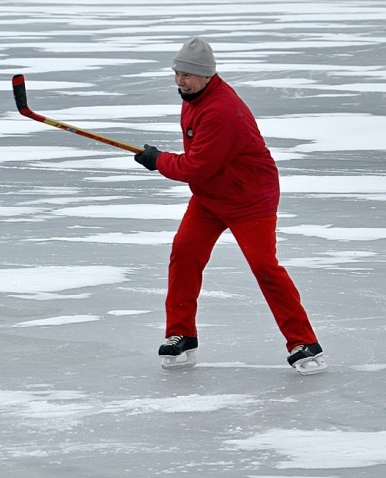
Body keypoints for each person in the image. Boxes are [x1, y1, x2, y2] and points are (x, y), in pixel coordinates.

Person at [133, 37, 326, 374]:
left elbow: (195, 166)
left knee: (265, 268)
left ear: (207, 75)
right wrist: (163, 159)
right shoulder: (193, 96)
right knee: (184, 254)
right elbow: (200, 164)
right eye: (177, 73)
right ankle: (181, 334)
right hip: (211, 196)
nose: (180, 81)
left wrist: (158, 160)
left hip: (250, 198)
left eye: (187, 76)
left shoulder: (221, 110)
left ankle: (303, 341)